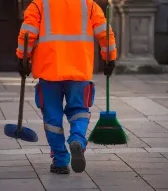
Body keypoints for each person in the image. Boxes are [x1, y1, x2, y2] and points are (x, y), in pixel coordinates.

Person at [16, 0, 117, 174]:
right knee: (79, 109)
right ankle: (77, 139)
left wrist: (23, 58)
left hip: (49, 71)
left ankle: (61, 160)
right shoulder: (88, 5)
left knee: (52, 117)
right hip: (79, 69)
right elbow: (105, 33)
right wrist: (109, 58)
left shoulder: (39, 4)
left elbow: (27, 33)